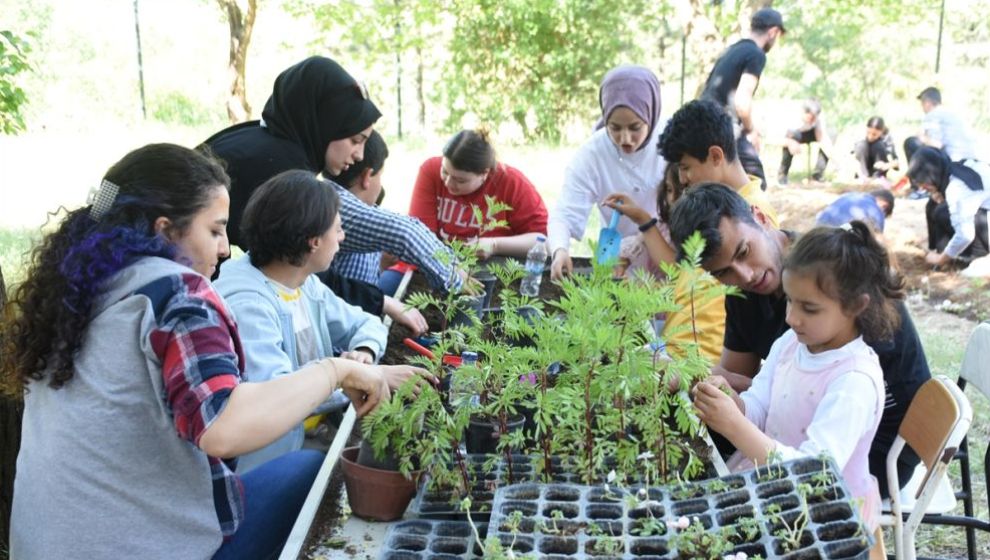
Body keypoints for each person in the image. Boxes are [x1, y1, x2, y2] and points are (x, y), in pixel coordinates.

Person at [0, 144, 425, 559]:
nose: (225, 249)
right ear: (165, 231)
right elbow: (224, 427)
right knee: (310, 472)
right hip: (136, 545)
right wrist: (335, 371)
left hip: (42, 544)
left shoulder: (74, 291)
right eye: (215, 230)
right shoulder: (178, 297)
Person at [668, 183, 930, 498]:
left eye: (744, 252)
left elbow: (817, 473)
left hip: (868, 459)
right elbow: (760, 392)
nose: (745, 276)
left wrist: (735, 421)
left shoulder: (842, 292)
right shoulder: (793, 337)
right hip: (796, 444)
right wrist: (726, 397)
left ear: (759, 217)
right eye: (723, 273)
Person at [215, 170, 434, 472]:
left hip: (310, 435)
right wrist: (359, 375)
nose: (342, 238)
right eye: (339, 229)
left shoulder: (302, 283)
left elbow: (365, 323)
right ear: (314, 242)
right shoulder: (248, 303)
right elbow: (278, 396)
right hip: (270, 462)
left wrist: (364, 354)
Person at [203, 56, 469, 299]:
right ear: (327, 123)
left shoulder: (263, 141)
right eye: (356, 140)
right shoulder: (281, 167)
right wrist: (454, 280)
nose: (359, 154)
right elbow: (295, 264)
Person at [693, 220, 900, 530]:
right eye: (789, 300)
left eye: (809, 308)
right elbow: (760, 406)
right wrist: (734, 403)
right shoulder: (791, 343)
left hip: (825, 515)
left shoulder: (854, 381)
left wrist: (734, 426)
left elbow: (813, 475)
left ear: (856, 306)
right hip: (776, 485)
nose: (792, 317)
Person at [602, 99, 779, 362]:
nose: (682, 179)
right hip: (674, 353)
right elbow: (682, 271)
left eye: (685, 168)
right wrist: (643, 220)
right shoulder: (713, 212)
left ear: (716, 156)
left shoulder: (753, 220)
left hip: (704, 363)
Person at [549, 65, 666, 280]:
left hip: (665, 257)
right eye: (615, 128)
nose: (625, 139)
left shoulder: (668, 144)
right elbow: (565, 212)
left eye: (635, 127)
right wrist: (560, 249)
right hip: (615, 263)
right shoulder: (593, 153)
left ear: (651, 115)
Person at [324, 131, 429, 334]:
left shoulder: (329, 206)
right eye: (380, 175)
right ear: (367, 177)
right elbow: (406, 232)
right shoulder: (342, 218)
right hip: (346, 335)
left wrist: (381, 265)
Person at [409, 129, 548, 260]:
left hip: (492, 266)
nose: (448, 183)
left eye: (460, 180)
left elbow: (545, 241)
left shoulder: (513, 184)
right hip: (434, 261)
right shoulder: (430, 170)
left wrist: (495, 245)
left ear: (484, 174)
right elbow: (419, 236)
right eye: (445, 171)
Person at [700, 7, 787, 190]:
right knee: (755, 182)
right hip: (723, 125)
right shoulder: (756, 54)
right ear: (773, 32)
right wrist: (751, 130)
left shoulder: (732, 49)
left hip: (704, 121)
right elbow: (742, 101)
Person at [907, 146, 990, 274]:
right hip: (985, 212)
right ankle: (941, 253)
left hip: (986, 224)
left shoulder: (955, 189)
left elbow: (965, 235)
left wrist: (941, 259)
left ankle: (970, 257)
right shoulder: (956, 169)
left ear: (931, 175)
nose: (923, 188)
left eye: (924, 183)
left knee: (942, 212)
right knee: (934, 206)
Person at [904, 86, 981, 163]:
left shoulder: (933, 114)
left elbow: (936, 145)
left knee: (911, 142)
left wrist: (921, 137)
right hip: (973, 161)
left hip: (955, 162)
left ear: (927, 103)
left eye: (922, 104)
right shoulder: (952, 113)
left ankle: (914, 171)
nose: (922, 108)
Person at [777, 99, 835, 185]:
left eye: (814, 119)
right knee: (793, 136)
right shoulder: (790, 116)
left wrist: (834, 158)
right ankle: (782, 175)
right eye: (810, 118)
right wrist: (789, 142)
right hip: (793, 136)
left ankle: (817, 175)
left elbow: (821, 138)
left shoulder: (818, 118)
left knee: (832, 133)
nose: (812, 121)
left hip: (810, 133)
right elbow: (773, 139)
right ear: (803, 112)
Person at [816, 190, 894, 234]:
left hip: (817, 235)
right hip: (837, 245)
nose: (883, 214)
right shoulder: (875, 210)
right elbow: (878, 241)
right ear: (884, 205)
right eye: (885, 213)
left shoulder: (848, 196)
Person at [853, 116, 900, 182]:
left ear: (882, 132)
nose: (870, 137)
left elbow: (896, 163)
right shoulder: (860, 135)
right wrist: (861, 175)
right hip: (862, 171)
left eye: (874, 134)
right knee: (861, 145)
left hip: (878, 171)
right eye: (868, 133)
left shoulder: (887, 138)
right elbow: (853, 159)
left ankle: (878, 178)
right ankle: (863, 178)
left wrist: (885, 165)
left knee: (878, 145)